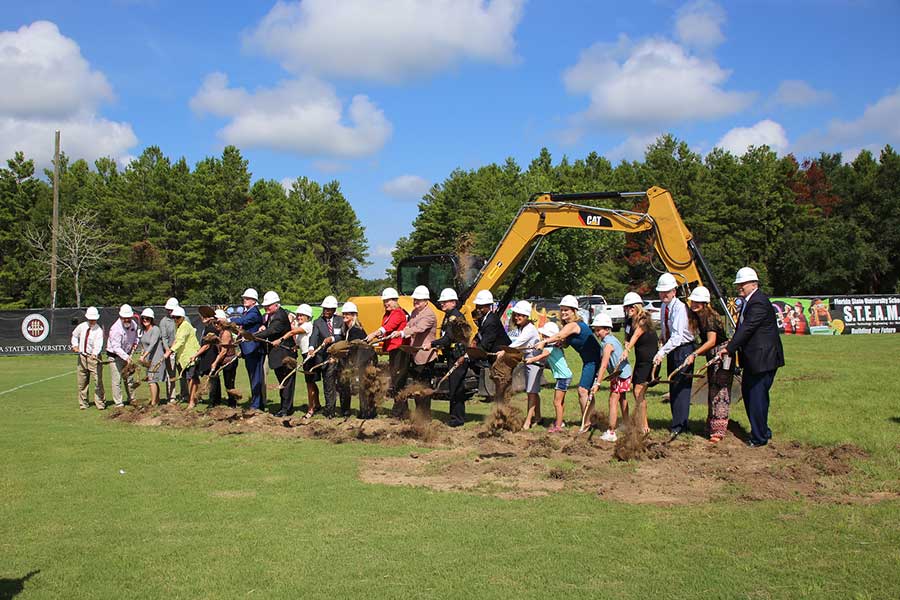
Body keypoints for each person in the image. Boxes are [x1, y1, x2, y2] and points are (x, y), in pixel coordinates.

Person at [718, 267, 785, 447]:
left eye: (742, 284)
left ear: (753, 283)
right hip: (756, 359)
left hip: (762, 360)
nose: (739, 287)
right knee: (753, 396)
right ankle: (762, 430)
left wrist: (730, 348)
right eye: (738, 284)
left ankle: (759, 437)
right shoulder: (750, 301)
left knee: (756, 397)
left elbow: (747, 329)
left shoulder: (758, 302)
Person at [534, 295, 601, 432]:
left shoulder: (573, 325)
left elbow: (559, 336)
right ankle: (591, 419)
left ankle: (586, 423)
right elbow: (564, 343)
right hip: (589, 360)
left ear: (574, 311)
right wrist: (559, 344)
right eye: (562, 310)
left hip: (594, 360)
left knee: (582, 390)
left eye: (567, 310)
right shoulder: (569, 326)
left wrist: (545, 342)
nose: (563, 312)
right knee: (586, 391)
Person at [685, 286, 734, 442]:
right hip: (711, 354)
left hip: (722, 354)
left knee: (721, 391)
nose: (694, 304)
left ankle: (718, 430)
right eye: (693, 301)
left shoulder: (711, 317)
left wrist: (695, 353)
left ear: (705, 303)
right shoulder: (697, 317)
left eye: (698, 302)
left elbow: (712, 341)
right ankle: (711, 424)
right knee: (712, 389)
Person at [653, 272, 696, 437]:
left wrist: (661, 352)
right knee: (673, 385)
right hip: (672, 348)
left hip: (684, 348)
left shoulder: (680, 308)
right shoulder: (664, 306)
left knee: (682, 387)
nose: (663, 294)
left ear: (674, 292)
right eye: (661, 291)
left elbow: (678, 336)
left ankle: (681, 425)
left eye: (667, 291)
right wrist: (662, 340)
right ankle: (676, 421)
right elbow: (666, 329)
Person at [425, 288, 470, 427]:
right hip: (452, 355)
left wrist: (432, 344)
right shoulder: (449, 316)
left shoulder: (454, 317)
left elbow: (448, 338)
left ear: (453, 302)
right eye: (442, 302)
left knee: (456, 387)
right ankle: (454, 417)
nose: (442, 304)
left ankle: (457, 419)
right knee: (454, 387)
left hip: (457, 355)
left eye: (445, 302)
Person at [391, 285, 437, 418]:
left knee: (423, 389)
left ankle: (425, 417)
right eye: (415, 300)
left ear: (426, 301)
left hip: (426, 358)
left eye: (419, 300)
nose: (416, 302)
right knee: (417, 389)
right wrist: (401, 331)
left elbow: (419, 328)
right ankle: (418, 415)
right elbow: (409, 325)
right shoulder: (414, 312)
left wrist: (401, 333)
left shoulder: (429, 315)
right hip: (415, 356)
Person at [366, 287, 409, 417]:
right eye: (384, 301)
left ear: (396, 300)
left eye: (388, 301)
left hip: (400, 349)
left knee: (398, 380)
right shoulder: (388, 314)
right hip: (393, 350)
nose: (386, 303)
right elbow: (387, 330)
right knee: (397, 380)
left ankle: (397, 411)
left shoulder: (398, 313)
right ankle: (403, 411)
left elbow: (388, 327)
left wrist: (375, 333)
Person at [498, 300, 541, 429]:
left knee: (531, 392)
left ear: (527, 316)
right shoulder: (523, 328)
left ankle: (528, 421)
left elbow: (519, 343)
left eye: (520, 315)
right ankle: (538, 417)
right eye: (516, 315)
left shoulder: (529, 329)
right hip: (528, 359)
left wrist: (504, 351)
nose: (517, 317)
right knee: (533, 390)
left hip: (534, 360)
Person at [253, 291, 297, 417]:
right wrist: (263, 326)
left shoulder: (279, 316)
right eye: (265, 305)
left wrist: (254, 336)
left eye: (269, 305)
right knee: (283, 381)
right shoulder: (272, 315)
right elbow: (269, 328)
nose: (266, 307)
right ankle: (285, 407)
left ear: (276, 305)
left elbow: (272, 331)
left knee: (286, 382)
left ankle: (286, 409)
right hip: (278, 355)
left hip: (285, 354)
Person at [590, 314, 633, 442]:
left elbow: (603, 365)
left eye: (599, 330)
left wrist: (597, 384)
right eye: (595, 330)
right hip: (621, 373)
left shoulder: (608, 344)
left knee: (613, 400)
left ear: (607, 329)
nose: (597, 333)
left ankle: (611, 431)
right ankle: (627, 425)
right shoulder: (608, 340)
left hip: (621, 375)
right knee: (622, 399)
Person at [620, 292, 658, 434]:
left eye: (631, 306)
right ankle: (641, 422)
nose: (629, 309)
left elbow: (636, 336)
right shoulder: (629, 322)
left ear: (637, 307)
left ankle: (644, 425)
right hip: (640, 360)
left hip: (649, 360)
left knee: (638, 391)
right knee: (636, 391)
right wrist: (626, 343)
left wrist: (627, 350)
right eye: (627, 306)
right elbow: (629, 337)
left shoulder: (643, 320)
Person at [526, 321, 571, 433]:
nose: (544, 337)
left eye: (546, 336)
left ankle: (558, 426)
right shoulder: (553, 345)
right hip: (565, 376)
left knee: (556, 402)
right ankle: (561, 422)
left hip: (563, 377)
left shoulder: (550, 346)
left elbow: (543, 355)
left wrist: (531, 359)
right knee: (560, 402)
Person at [225, 289, 266, 410]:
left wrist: (229, 321)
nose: (244, 300)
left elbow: (244, 321)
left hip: (254, 349)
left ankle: (256, 405)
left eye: (247, 298)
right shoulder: (248, 312)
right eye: (244, 298)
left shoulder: (253, 313)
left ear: (254, 301)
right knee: (253, 377)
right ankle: (257, 403)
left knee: (256, 378)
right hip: (249, 349)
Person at [276, 304, 317, 418]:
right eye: (298, 315)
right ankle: (316, 404)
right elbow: (302, 342)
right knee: (311, 383)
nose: (299, 317)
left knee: (310, 384)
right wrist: (296, 347)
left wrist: (280, 339)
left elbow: (293, 332)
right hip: (305, 356)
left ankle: (311, 409)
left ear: (308, 316)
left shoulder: (308, 325)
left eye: (301, 315)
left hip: (310, 357)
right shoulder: (302, 326)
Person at [470, 290, 511, 400]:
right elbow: (480, 336)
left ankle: (504, 412)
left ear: (488, 306)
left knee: (502, 386)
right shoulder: (485, 319)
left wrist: (470, 354)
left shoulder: (491, 321)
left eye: (481, 306)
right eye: (478, 306)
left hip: (502, 357)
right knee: (498, 385)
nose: (478, 309)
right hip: (495, 357)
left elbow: (485, 345)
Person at [310, 295, 344, 418]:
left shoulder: (340, 321)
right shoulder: (318, 322)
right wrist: (311, 348)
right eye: (324, 309)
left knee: (342, 383)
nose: (326, 311)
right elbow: (314, 336)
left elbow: (343, 336)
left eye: (329, 309)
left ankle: (345, 409)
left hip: (340, 357)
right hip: (325, 358)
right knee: (328, 384)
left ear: (334, 310)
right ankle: (330, 410)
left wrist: (332, 338)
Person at [336, 301, 369, 417]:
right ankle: (345, 410)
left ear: (354, 315)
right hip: (351, 360)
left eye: (348, 314)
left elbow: (355, 348)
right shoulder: (345, 329)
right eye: (344, 313)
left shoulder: (356, 330)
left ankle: (366, 412)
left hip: (364, 360)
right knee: (343, 383)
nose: (345, 316)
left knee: (364, 386)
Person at [70, 306, 106, 410]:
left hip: (93, 358)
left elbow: (98, 345)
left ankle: (100, 403)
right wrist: (75, 345)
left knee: (97, 381)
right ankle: (83, 403)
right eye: (90, 319)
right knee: (82, 382)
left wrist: (94, 354)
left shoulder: (98, 330)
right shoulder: (81, 326)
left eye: (93, 319)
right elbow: (74, 336)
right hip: (82, 357)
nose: (92, 321)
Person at [167, 306, 200, 408]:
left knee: (191, 379)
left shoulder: (185, 325)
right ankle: (193, 398)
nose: (175, 319)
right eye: (174, 317)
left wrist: (170, 351)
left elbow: (181, 341)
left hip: (190, 357)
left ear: (182, 317)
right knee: (188, 379)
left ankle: (192, 401)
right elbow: (177, 340)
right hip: (182, 358)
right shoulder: (179, 326)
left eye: (177, 317)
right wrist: (171, 347)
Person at [107, 303, 139, 408]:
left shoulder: (134, 324)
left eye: (128, 318)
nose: (127, 320)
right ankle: (119, 403)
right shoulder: (115, 329)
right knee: (117, 380)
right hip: (115, 356)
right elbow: (116, 347)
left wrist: (135, 343)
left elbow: (136, 337)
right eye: (124, 318)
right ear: (121, 317)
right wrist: (126, 357)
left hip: (127, 354)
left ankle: (132, 399)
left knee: (129, 379)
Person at [209, 309, 239, 407]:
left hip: (230, 361)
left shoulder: (226, 333)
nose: (215, 325)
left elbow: (224, 351)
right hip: (224, 361)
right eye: (214, 323)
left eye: (217, 323)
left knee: (229, 384)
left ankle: (232, 404)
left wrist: (215, 362)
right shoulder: (220, 333)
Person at [138, 308, 166, 407]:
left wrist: (144, 356)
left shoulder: (155, 329)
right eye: (143, 318)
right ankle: (156, 400)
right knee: (152, 380)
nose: (145, 320)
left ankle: (154, 403)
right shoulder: (143, 331)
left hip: (156, 358)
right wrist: (142, 354)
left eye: (147, 318)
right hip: (149, 360)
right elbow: (144, 345)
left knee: (151, 381)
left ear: (152, 319)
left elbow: (152, 344)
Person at [193, 313, 219, 403]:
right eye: (202, 316)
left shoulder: (211, 328)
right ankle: (215, 400)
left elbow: (207, 345)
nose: (203, 318)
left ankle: (213, 401)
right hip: (207, 356)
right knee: (213, 377)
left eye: (206, 316)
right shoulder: (207, 327)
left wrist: (195, 355)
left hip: (211, 356)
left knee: (212, 378)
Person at [159, 297, 179, 403]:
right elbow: (164, 337)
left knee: (184, 374)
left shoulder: (183, 318)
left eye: (171, 309)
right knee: (171, 374)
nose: (169, 311)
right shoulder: (164, 321)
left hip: (181, 351)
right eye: (168, 309)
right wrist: (168, 350)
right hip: (170, 351)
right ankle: (172, 396)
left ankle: (186, 394)